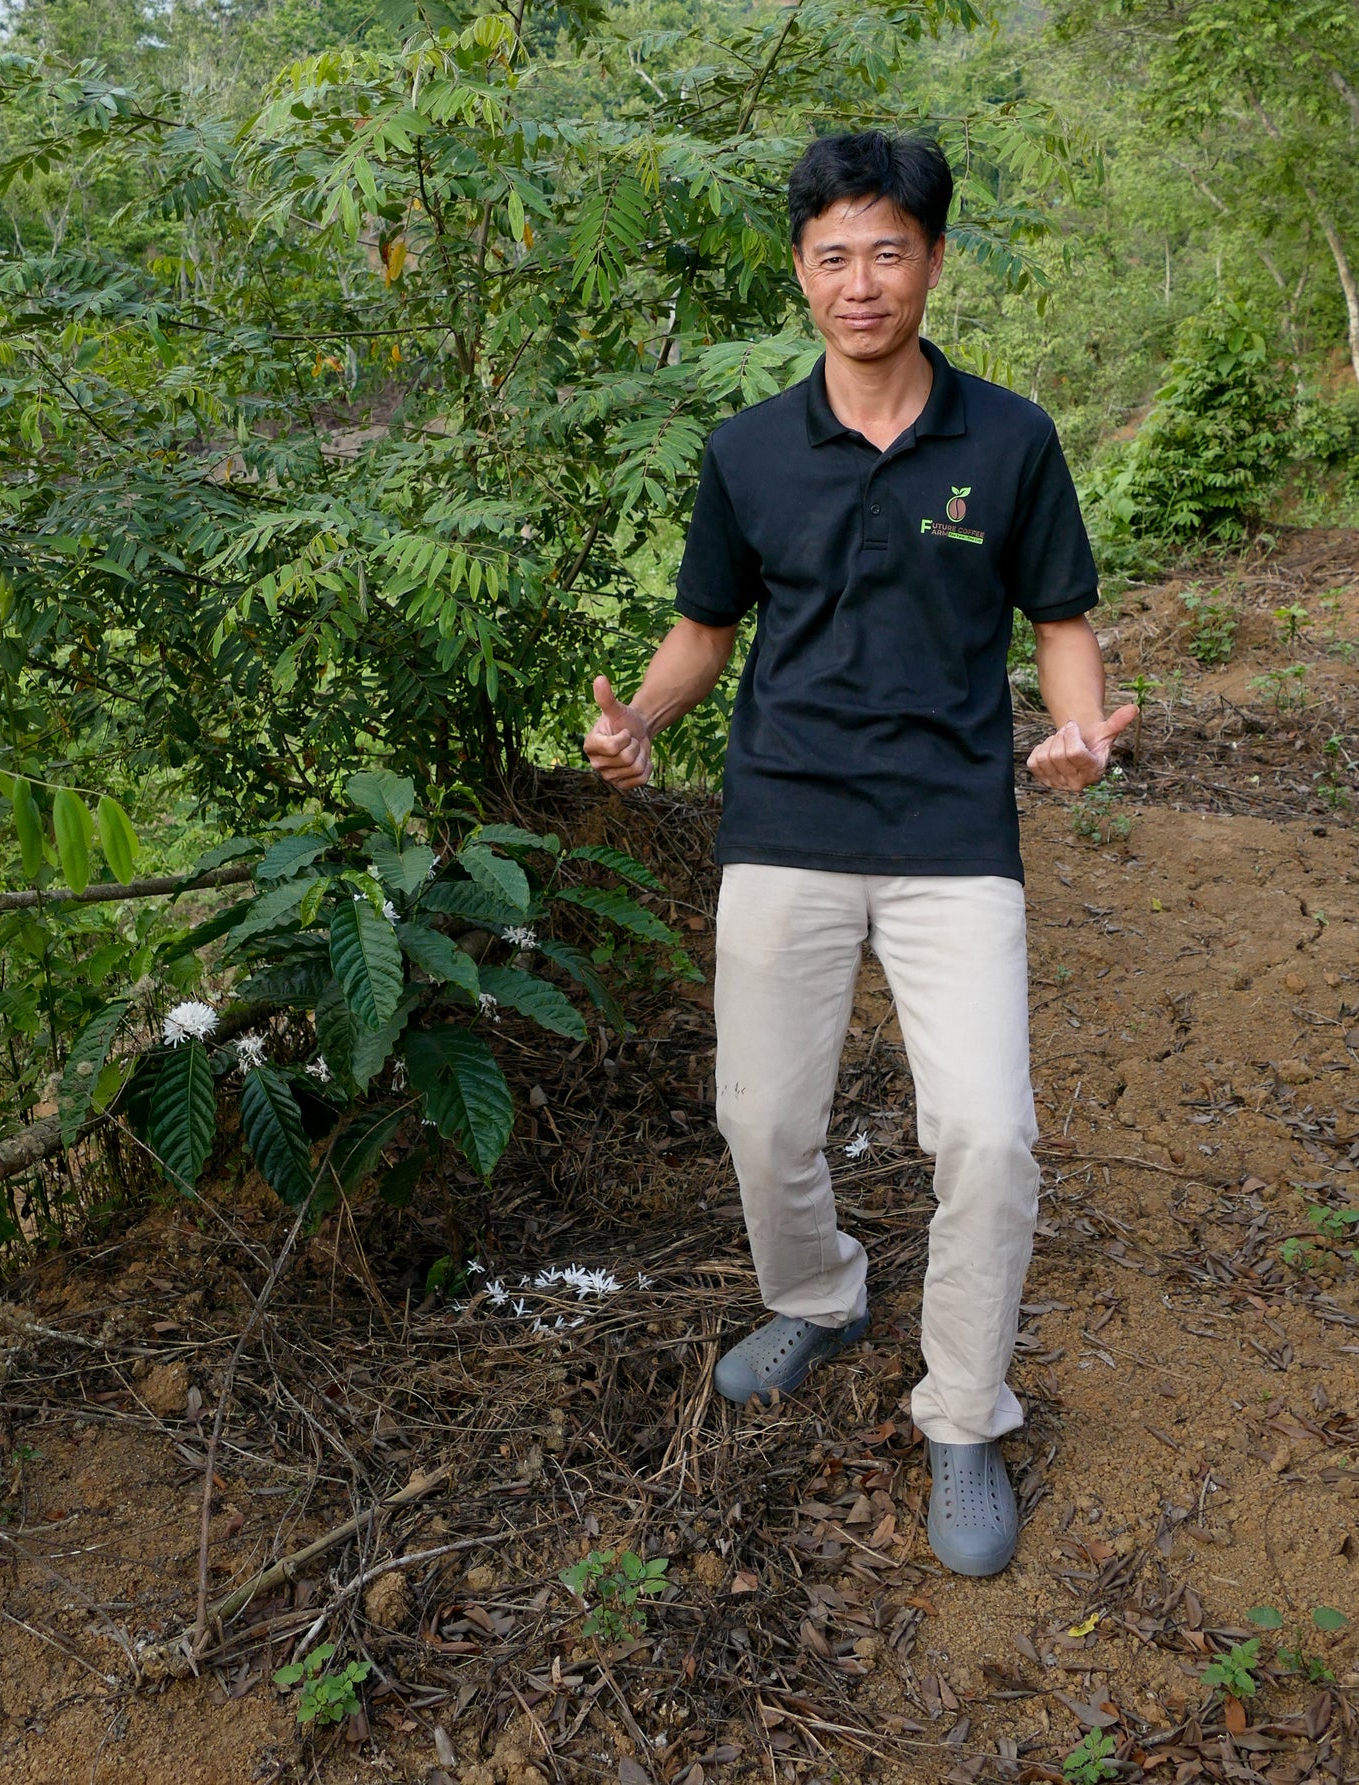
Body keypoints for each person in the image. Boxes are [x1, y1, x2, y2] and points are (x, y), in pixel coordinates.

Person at [582, 130, 1134, 1578]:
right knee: (761, 1120)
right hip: (784, 817)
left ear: (933, 262)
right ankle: (819, 1295)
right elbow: (704, 627)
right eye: (832, 254)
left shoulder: (1007, 440)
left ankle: (961, 1410)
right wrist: (639, 719)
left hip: (953, 830)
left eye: (888, 249)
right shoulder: (748, 450)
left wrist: (1076, 732)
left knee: (990, 1136)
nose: (860, 280)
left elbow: (1059, 620)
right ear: (800, 274)